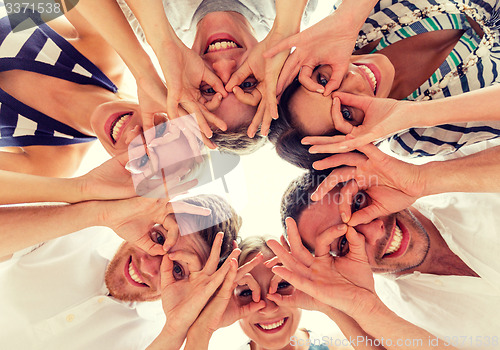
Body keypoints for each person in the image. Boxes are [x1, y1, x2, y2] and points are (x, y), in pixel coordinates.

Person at [277, 171, 500, 349]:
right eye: (344, 243)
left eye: (358, 203)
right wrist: (352, 306)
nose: (375, 232)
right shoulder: (390, 322)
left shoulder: (470, 177)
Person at [267, 0, 500, 168]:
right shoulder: (418, 138)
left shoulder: (353, 22)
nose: (353, 80)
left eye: (324, 80)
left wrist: (348, 16)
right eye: (346, 113)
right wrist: (417, 114)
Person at [0, 194, 241, 349]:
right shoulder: (76, 228)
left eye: (177, 269)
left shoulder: (156, 339)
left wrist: (174, 331)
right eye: (158, 237)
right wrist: (101, 211)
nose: (148, 265)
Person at [0, 1, 203, 178]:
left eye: (143, 160)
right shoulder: (107, 53)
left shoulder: (53, 162)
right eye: (158, 130)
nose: (135, 137)